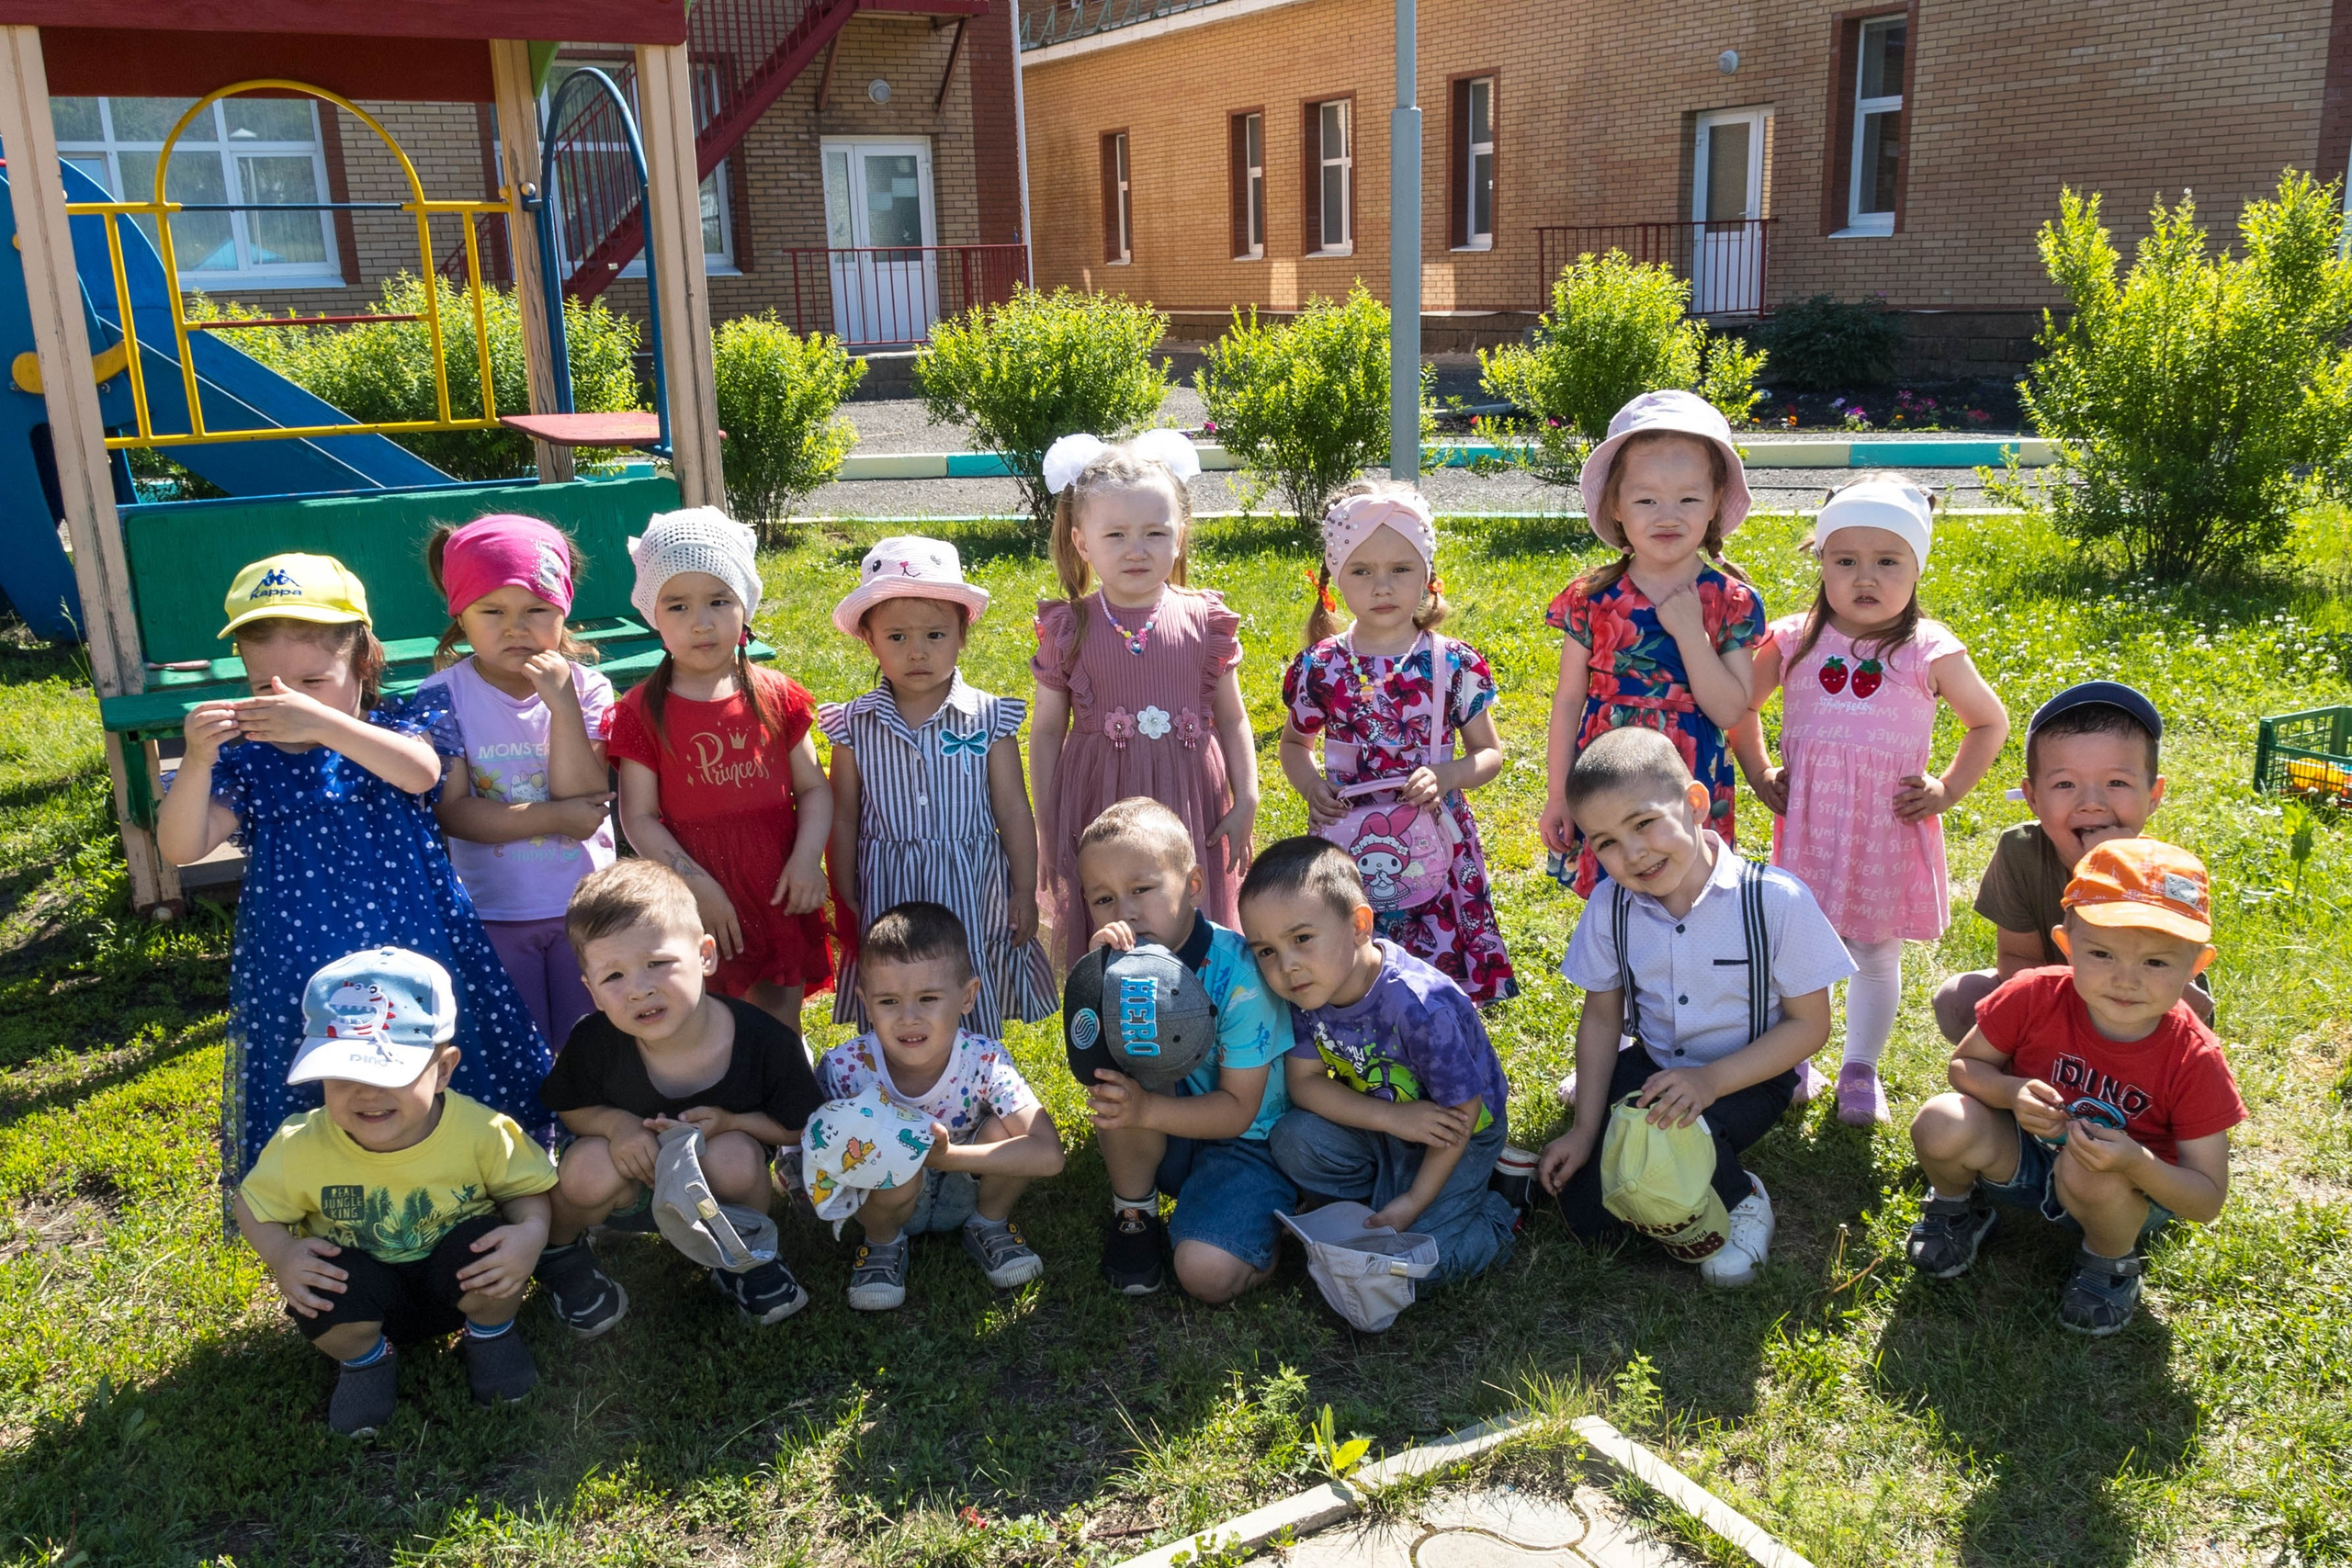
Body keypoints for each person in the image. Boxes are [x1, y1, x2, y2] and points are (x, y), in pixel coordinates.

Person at [156, 553, 553, 1190]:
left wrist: (326, 724)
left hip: (416, 946)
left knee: (438, 1057)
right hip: (301, 964)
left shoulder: (396, 727)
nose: (288, 701)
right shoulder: (251, 759)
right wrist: (199, 760)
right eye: (265, 686)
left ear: (363, 664)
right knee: (329, 1084)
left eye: (312, 681)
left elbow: (421, 774)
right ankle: (337, 1203)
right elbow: (181, 847)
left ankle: (486, 1185)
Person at [1731, 476, 2009, 1124]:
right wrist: (1759, 769)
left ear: (1917, 568)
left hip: (1885, 828)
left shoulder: (1928, 649)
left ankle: (1860, 1069)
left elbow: (1989, 722)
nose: (1865, 577)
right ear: (1821, 561)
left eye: (1888, 561)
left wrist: (1947, 788)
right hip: (1810, 826)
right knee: (1799, 947)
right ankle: (1795, 1057)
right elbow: (1741, 706)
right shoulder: (1792, 640)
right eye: (1845, 560)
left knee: (1874, 951)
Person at [1535, 728, 1855, 1287]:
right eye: (1606, 843)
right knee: (1590, 1220)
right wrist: (1585, 1130)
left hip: (1749, 1076)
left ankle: (1740, 1196)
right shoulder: (1610, 905)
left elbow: (1810, 1027)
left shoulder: (1774, 900)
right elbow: (1603, 1017)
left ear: (1696, 804)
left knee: (1674, 1138)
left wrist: (1709, 1082)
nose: (1633, 853)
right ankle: (1616, 1146)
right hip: (1655, 1063)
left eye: (1644, 823)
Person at [1905, 839, 2244, 1336]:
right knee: (1941, 1120)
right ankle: (1957, 1206)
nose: (2125, 979)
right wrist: (2011, 1092)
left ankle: (2109, 1260)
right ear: (2066, 945)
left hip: (2125, 1190)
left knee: (2091, 1174)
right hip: (2024, 1153)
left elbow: (2206, 1200)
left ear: (2196, 965)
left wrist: (2134, 1162)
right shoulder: (2033, 994)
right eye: (2102, 953)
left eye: (2155, 962)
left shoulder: (2194, 1058)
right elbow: (1965, 1067)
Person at [233, 947, 555, 1438]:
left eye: (388, 1072)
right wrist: (282, 1254)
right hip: (362, 1292)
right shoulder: (301, 1145)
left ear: (443, 1069)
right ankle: (365, 1360)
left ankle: (491, 1334)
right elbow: (252, 1205)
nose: (367, 1093)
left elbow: (526, 1189)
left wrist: (530, 1233)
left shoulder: (482, 1131)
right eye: (344, 1076)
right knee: (320, 1287)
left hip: (461, 1279)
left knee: (490, 1242)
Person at [532, 860, 822, 1332]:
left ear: (705, 955)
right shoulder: (594, 1040)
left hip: (715, 1188)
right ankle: (560, 1255)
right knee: (585, 1169)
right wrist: (617, 1127)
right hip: (627, 1183)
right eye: (613, 977)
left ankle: (742, 1258)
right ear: (592, 991)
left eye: (657, 963)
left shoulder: (765, 1040)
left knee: (736, 1156)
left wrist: (733, 1122)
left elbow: (799, 1126)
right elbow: (570, 1105)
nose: (639, 990)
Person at [1238, 836, 1518, 1283]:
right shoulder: (1307, 992)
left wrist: (1413, 1203)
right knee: (1294, 1139)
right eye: (1266, 951)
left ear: (1359, 925)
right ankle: (1379, 1204)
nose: (1286, 966)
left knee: (1415, 1270)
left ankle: (1499, 1212)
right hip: (1387, 1123)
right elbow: (1305, 1083)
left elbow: (1462, 1115)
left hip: (1458, 1135)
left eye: (1302, 938)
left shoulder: (1420, 1007)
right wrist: (1391, 1119)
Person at [1280, 482, 1517, 1004]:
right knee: (1354, 948)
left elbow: (1489, 753)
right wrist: (1312, 786)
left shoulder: (1452, 663)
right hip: (1348, 838)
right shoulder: (1322, 665)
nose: (1382, 587)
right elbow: (1295, 744)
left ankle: (1441, 1019)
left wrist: (1449, 775)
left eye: (1401, 569)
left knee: (1436, 973)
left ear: (1427, 575)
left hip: (1436, 837)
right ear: (1335, 578)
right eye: (1362, 571)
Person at [1030, 431, 1258, 966]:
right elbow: (1046, 731)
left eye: (1155, 532)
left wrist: (1246, 798)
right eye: (1116, 535)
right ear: (1083, 542)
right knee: (1114, 922)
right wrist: (1047, 824)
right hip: (1101, 797)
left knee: (1188, 912)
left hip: (1188, 798)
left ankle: (1197, 1006)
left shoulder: (1204, 620)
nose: (1137, 549)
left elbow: (1233, 718)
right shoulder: (1070, 626)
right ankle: (1115, 1006)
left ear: (1180, 536)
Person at [821, 536, 1056, 1038]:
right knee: (897, 984)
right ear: (869, 641)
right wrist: (845, 894)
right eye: (897, 637)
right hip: (888, 887)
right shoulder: (855, 725)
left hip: (969, 886)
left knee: (964, 978)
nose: (918, 651)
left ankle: (976, 1068)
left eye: (934, 634)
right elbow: (843, 817)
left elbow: (1014, 811)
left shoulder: (987, 719)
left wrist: (1023, 889)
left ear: (961, 634)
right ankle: (898, 1070)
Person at [608, 508, 833, 1027]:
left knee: (779, 1022)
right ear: (653, 615)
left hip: (778, 886)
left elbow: (814, 790)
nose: (701, 622)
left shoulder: (776, 695)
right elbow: (637, 817)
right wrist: (697, 885)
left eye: (718, 600)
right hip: (700, 892)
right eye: (678, 605)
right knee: (711, 1023)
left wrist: (806, 860)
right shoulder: (641, 710)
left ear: (745, 605)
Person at [1540, 390, 1768, 900]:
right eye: (1646, 500)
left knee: (1687, 895)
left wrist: (1691, 633)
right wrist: (1559, 795)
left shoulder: (1730, 600)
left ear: (1715, 503)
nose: (1668, 516)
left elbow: (1730, 710)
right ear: (1616, 507)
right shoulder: (1591, 597)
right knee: (1614, 897)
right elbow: (1569, 700)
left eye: (1689, 499)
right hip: (1606, 770)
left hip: (1685, 770)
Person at [1075, 797, 1295, 1302]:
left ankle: (1275, 1224)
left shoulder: (1240, 978)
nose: (1125, 913)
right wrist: (1096, 983)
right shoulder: (1116, 963)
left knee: (1204, 1274)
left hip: (1249, 1146)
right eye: (1103, 899)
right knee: (1116, 1090)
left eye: (1141, 890)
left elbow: (1239, 1111)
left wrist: (1147, 1110)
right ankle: (1134, 1215)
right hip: (1171, 1127)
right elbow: (1099, 1069)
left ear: (1194, 885)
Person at [419, 514, 617, 1047]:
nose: (515, 628)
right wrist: (555, 817)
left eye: (536, 610)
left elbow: (586, 800)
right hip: (494, 912)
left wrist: (562, 704)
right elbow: (455, 812)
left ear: (563, 611)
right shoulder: (442, 695)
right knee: (518, 1048)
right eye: (492, 611)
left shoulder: (588, 688)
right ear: (460, 615)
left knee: (592, 1047)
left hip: (588, 910)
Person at [816, 901, 1066, 1311]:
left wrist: (946, 1158)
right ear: (865, 1002)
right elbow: (815, 1153)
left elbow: (1049, 1155)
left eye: (928, 998)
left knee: (1005, 1128)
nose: (908, 1017)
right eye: (888, 1001)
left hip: (966, 1182)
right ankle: (882, 1243)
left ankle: (988, 1223)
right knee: (875, 1149)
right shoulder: (846, 1069)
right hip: (885, 1197)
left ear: (968, 996)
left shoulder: (985, 1060)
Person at [1930, 682, 2208, 1042]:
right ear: (2032, 797)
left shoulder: (2168, 871)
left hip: (2140, 1015)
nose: (2091, 803)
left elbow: (2178, 988)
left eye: (2116, 783)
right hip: (2053, 1002)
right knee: (1960, 998)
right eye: (2065, 785)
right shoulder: (2021, 851)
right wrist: (2064, 1022)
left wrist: (2116, 869)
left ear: (2153, 795)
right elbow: (2016, 958)